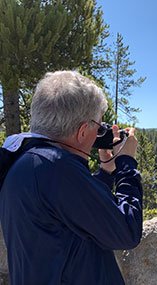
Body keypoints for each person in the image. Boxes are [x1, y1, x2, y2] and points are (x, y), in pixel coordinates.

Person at [0, 71, 143, 284]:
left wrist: (105, 170)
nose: (100, 133)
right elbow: (126, 230)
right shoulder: (55, 167)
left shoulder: (28, 160)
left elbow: (73, 209)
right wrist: (127, 164)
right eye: (99, 126)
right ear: (83, 131)